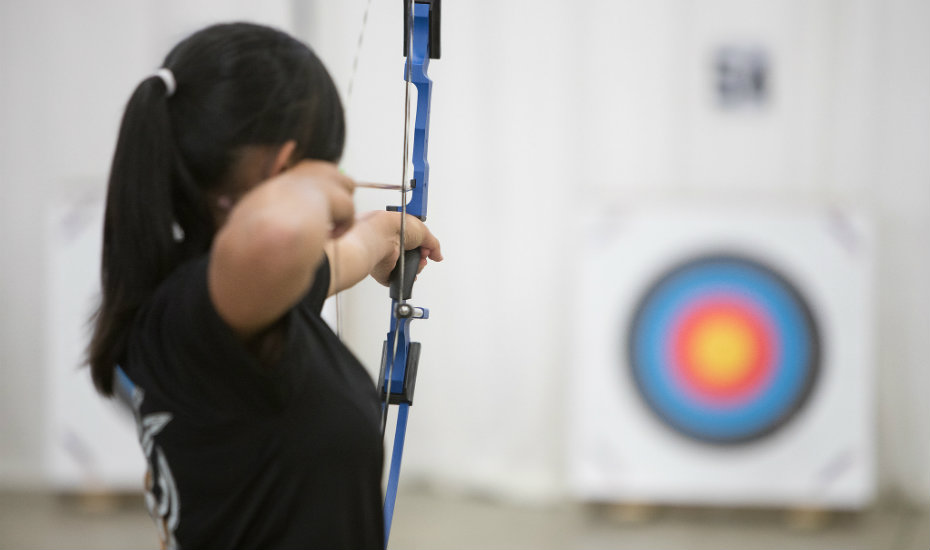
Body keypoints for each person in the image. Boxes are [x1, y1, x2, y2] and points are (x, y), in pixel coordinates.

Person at [87, 22, 442, 550]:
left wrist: (383, 232)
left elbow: (334, 256)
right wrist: (306, 188)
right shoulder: (198, 313)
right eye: (321, 164)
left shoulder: (236, 296)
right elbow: (279, 235)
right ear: (281, 165)